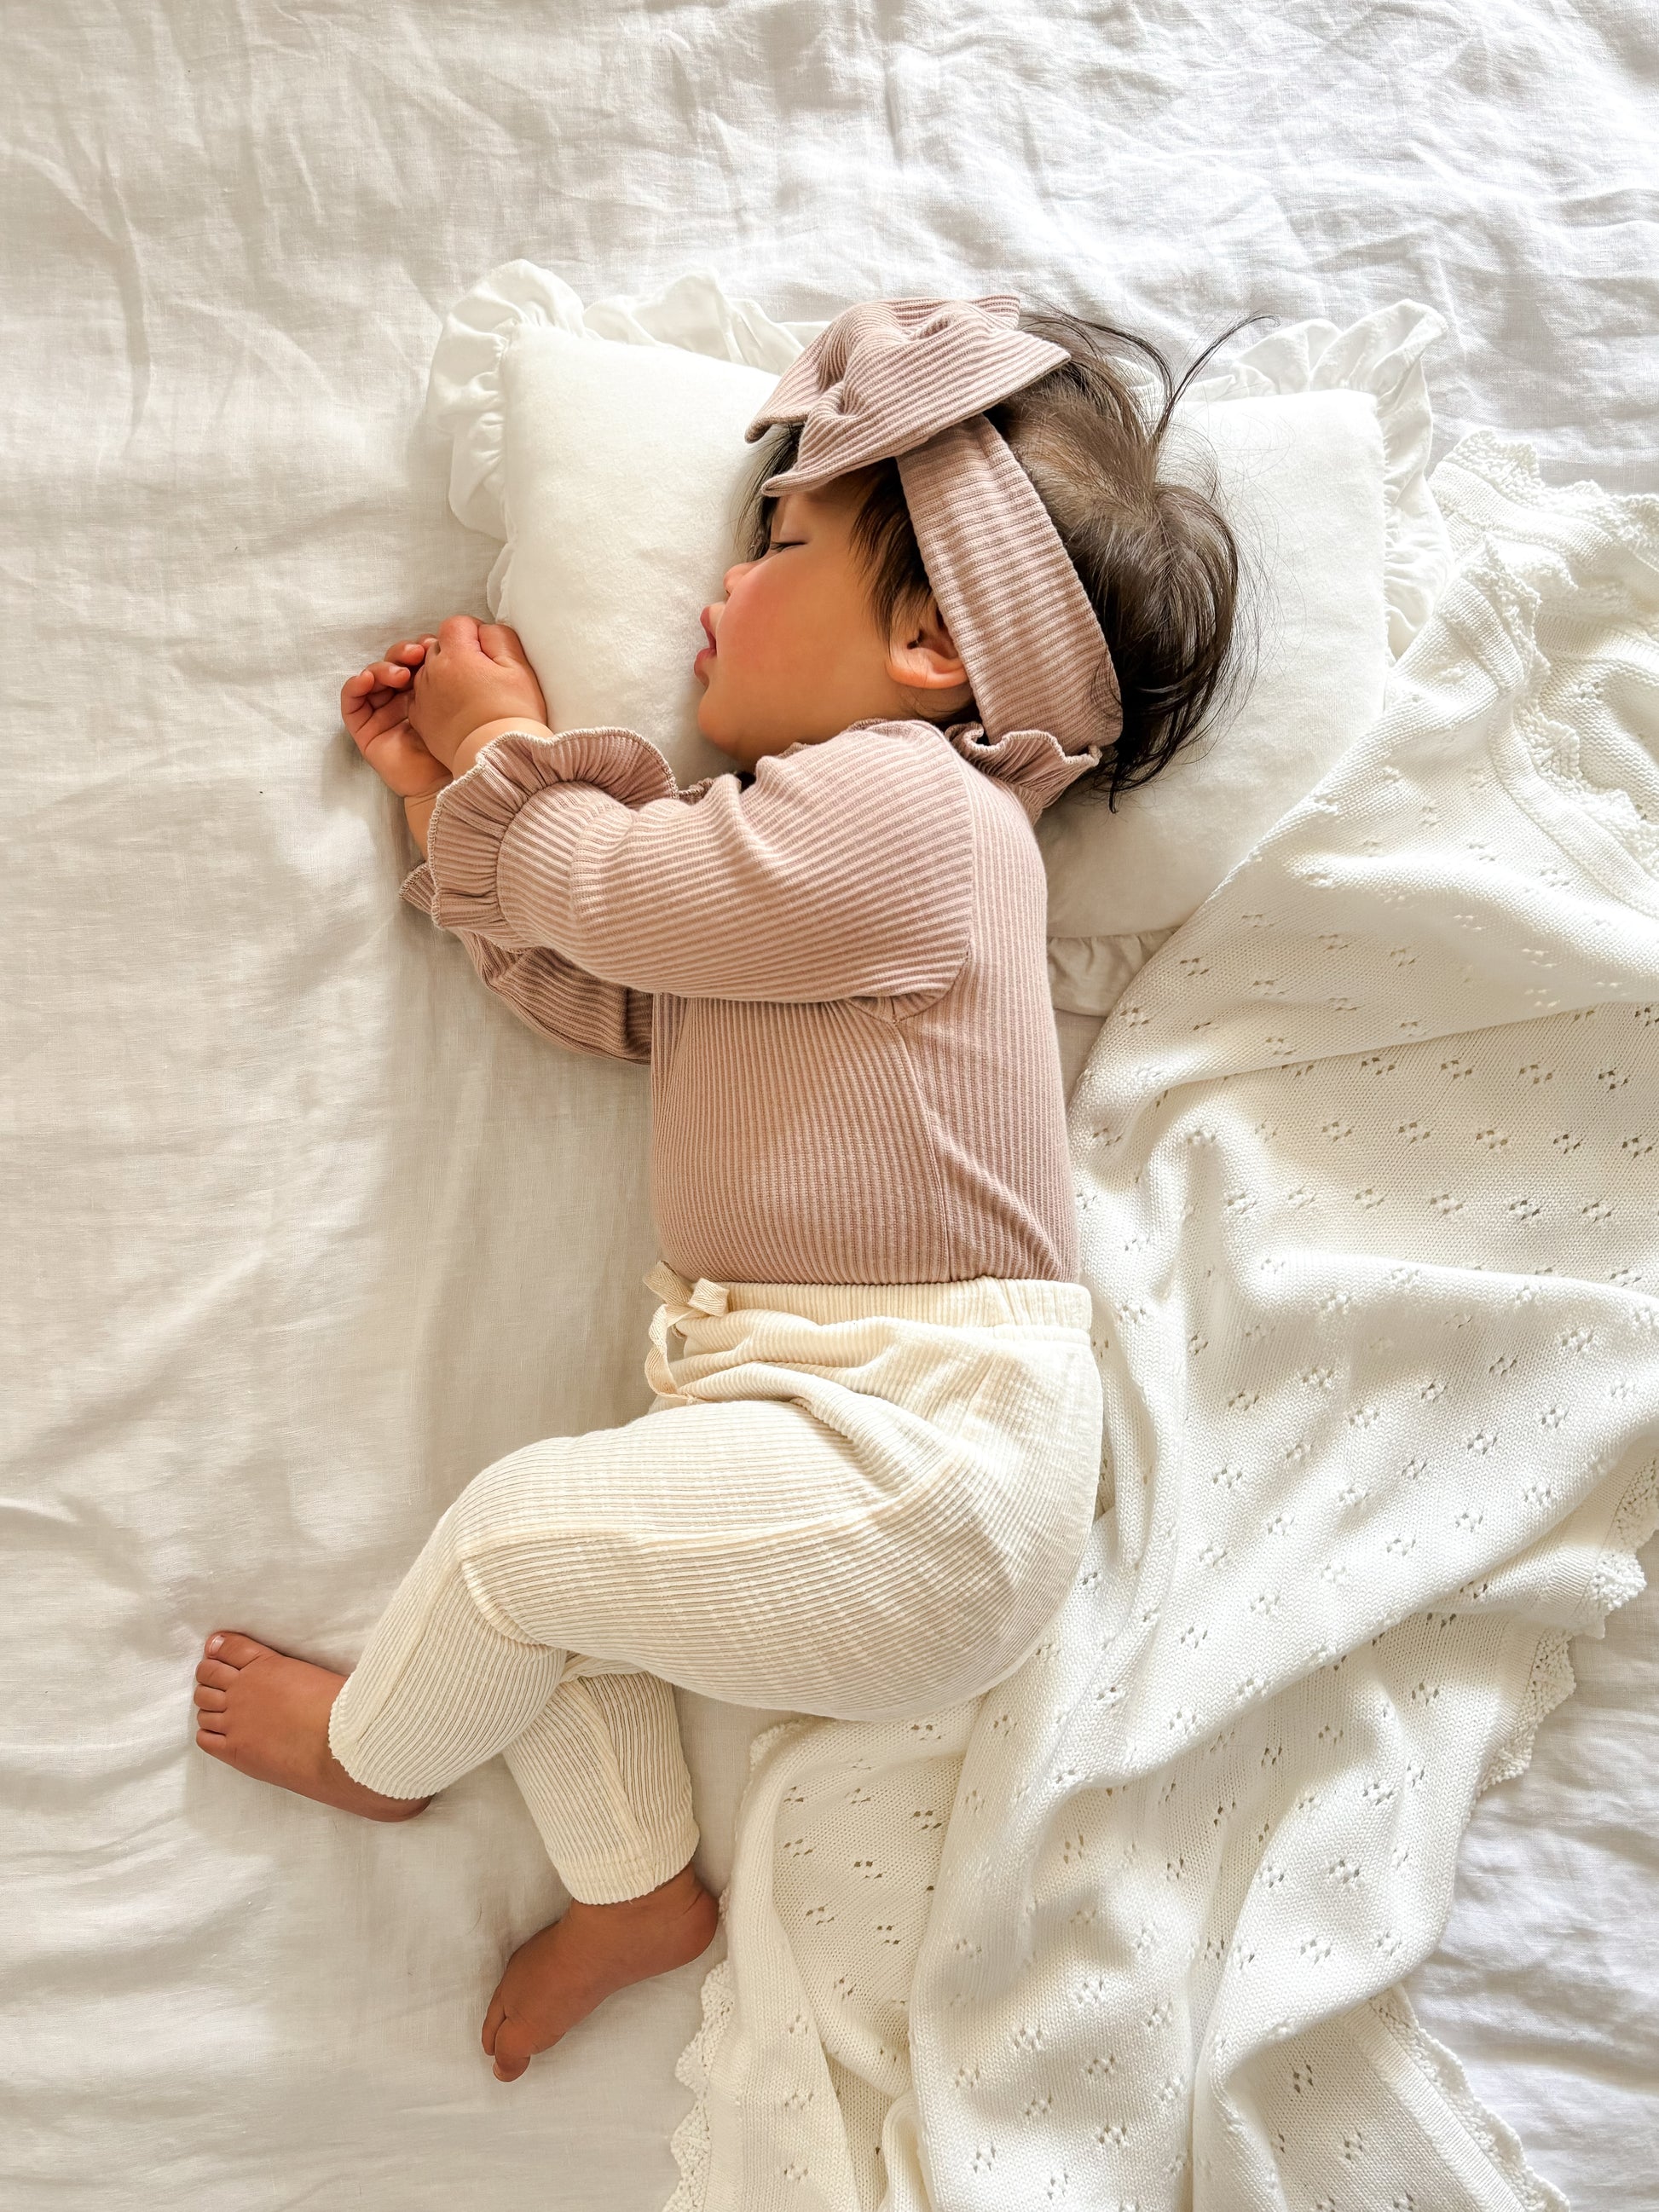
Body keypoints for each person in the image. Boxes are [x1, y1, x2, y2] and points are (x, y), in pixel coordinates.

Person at [189, 295, 1248, 2082]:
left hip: (926, 1467)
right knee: (566, 1555)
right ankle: (635, 1892)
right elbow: (610, 988)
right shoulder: (790, 858)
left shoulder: (912, 813)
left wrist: (507, 750)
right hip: (836, 1445)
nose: (712, 591)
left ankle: (381, 1754)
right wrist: (450, 807)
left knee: (517, 1541)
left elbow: (606, 894)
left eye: (773, 546)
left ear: (927, 647)